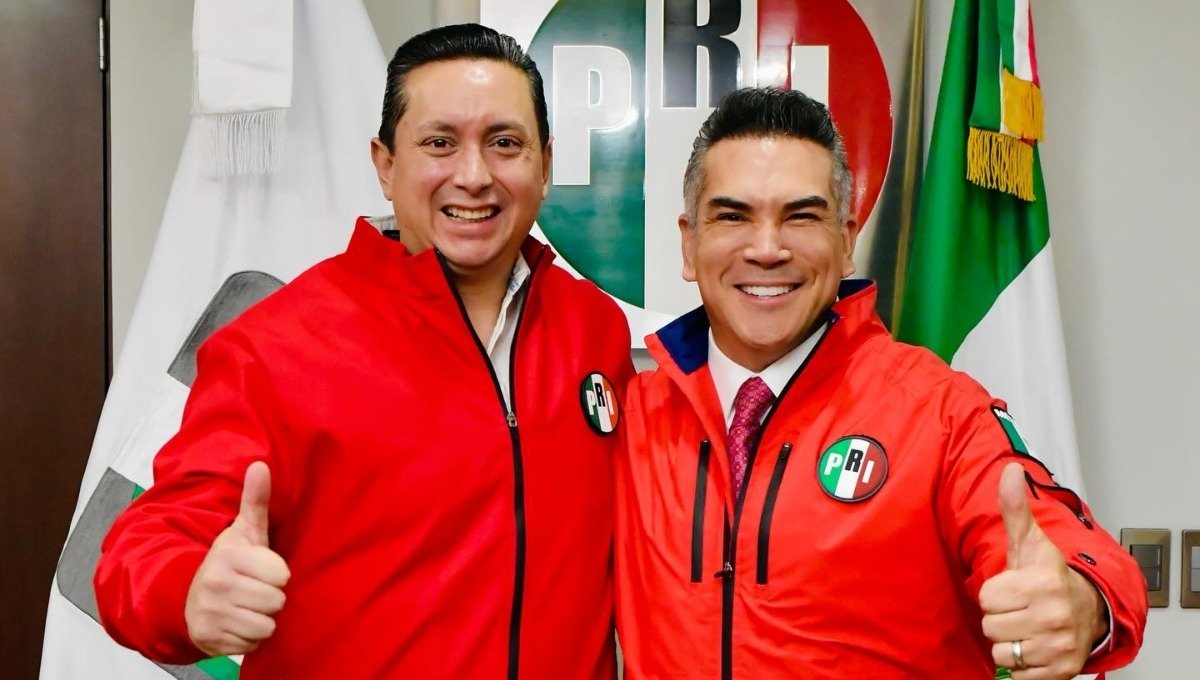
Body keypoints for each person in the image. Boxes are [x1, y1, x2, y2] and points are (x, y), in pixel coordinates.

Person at [94, 24, 633, 679]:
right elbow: (146, 546)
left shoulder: (593, 330)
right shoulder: (278, 346)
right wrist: (188, 592)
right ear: (385, 165)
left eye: (504, 143)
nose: (473, 176)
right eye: (439, 143)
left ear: (544, 165)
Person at [613, 87, 1147, 678]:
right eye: (733, 216)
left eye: (801, 216)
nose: (766, 249)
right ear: (689, 244)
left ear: (846, 242)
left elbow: (1068, 547)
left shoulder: (938, 413)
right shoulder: (632, 416)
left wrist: (1082, 603)